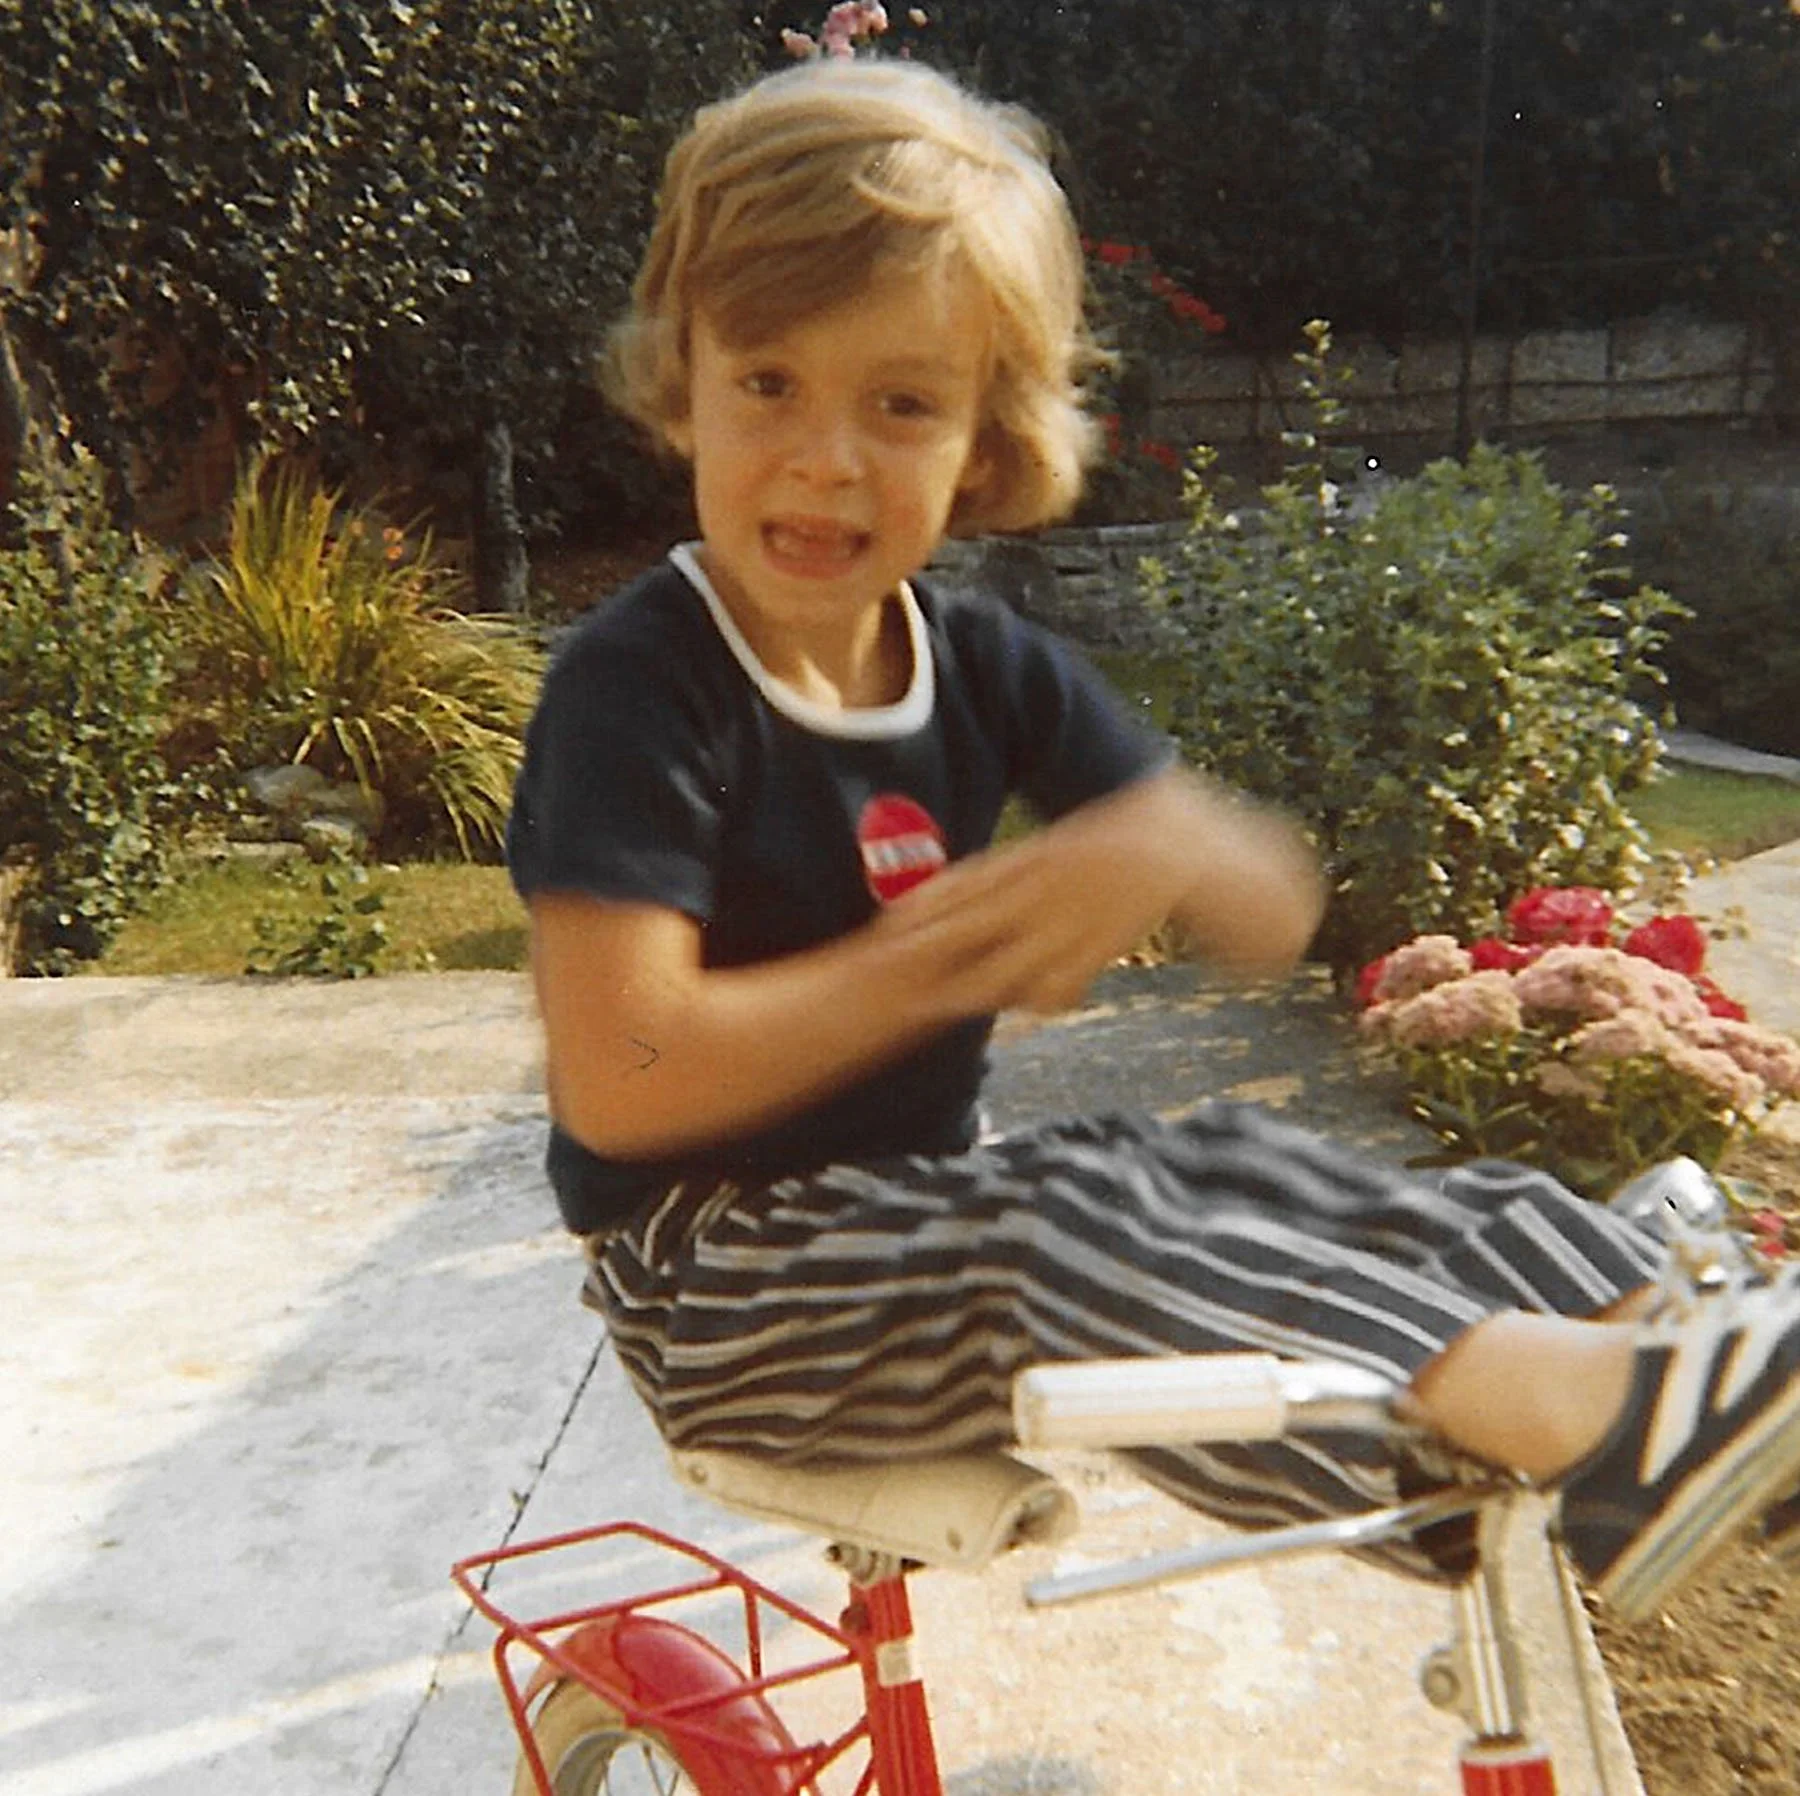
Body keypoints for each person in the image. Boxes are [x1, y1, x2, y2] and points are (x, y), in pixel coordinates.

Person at [507, 53, 1800, 1619]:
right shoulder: (641, 686)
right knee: (1065, 1224)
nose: (825, 455)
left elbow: (1274, 907)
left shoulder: (981, 670)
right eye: (768, 381)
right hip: (719, 1289)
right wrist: (948, 957)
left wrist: (1178, 846)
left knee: (1210, 1157)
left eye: (899, 403)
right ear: (685, 377)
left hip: (908, 1223)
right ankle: (1541, 1426)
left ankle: (1660, 1342)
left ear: (983, 439)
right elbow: (624, 1077)